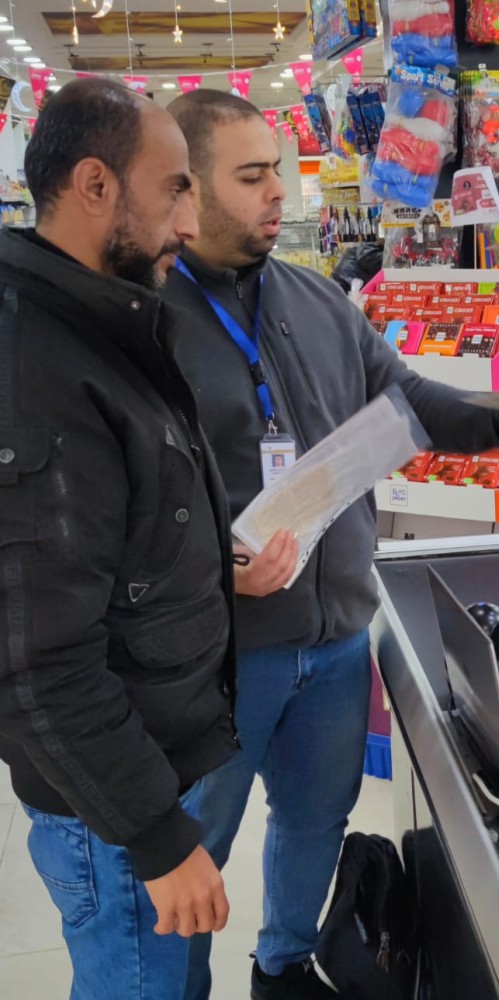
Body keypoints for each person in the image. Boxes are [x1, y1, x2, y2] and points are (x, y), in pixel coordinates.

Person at [163, 89, 499, 1000]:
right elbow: (133, 513)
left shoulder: (317, 298)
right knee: (192, 855)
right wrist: (212, 574)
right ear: (188, 188)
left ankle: (283, 967)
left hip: (337, 636)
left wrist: (498, 417)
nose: (280, 191)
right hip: (221, 655)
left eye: (279, 170)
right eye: (252, 175)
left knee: (316, 820)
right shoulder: (149, 318)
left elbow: (403, 398)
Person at [0, 78, 243, 998]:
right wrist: (155, 837)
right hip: (109, 810)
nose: (191, 221)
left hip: (144, 766)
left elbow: (108, 541)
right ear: (96, 185)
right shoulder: (36, 364)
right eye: (175, 188)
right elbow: (35, 658)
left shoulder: (101, 317)